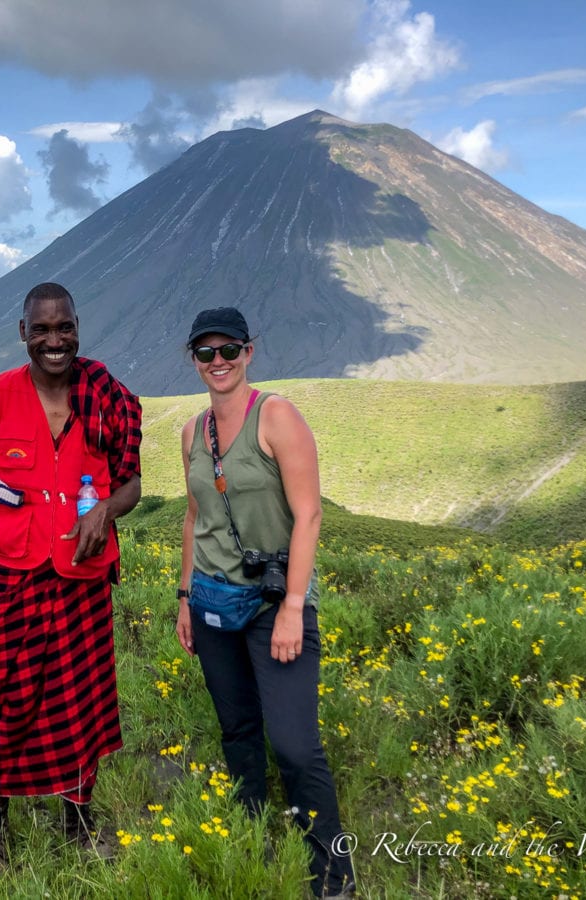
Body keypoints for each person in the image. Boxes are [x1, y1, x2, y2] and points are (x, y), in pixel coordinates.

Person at [0, 282, 142, 872]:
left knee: (81, 706)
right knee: (7, 704)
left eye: (66, 327)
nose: (56, 340)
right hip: (11, 578)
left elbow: (131, 483)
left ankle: (78, 820)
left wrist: (106, 508)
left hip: (79, 582)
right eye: (43, 329)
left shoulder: (106, 398)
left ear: (78, 327)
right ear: (23, 333)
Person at [174, 307, 356, 898]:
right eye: (207, 353)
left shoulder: (275, 416)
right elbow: (195, 516)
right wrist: (183, 597)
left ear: (250, 353)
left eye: (230, 350)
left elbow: (309, 513)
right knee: (237, 728)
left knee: (296, 746)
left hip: (274, 603)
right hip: (211, 600)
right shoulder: (192, 432)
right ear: (193, 360)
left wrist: (292, 608)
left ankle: (332, 872)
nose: (219, 362)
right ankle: (251, 830)